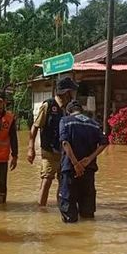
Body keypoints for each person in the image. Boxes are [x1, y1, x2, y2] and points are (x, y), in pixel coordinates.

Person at [27, 77, 78, 206]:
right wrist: (30, 148)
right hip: (49, 151)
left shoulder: (69, 109)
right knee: (46, 181)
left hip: (64, 152)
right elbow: (35, 127)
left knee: (63, 182)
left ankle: (60, 209)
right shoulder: (48, 106)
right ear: (67, 92)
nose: (73, 95)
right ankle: (41, 211)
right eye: (72, 91)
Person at [58, 101, 108, 223]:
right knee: (88, 213)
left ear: (69, 111)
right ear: (81, 111)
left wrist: (75, 164)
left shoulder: (65, 121)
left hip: (70, 170)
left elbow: (65, 142)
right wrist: (89, 159)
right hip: (88, 171)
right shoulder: (94, 124)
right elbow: (104, 143)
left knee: (69, 214)